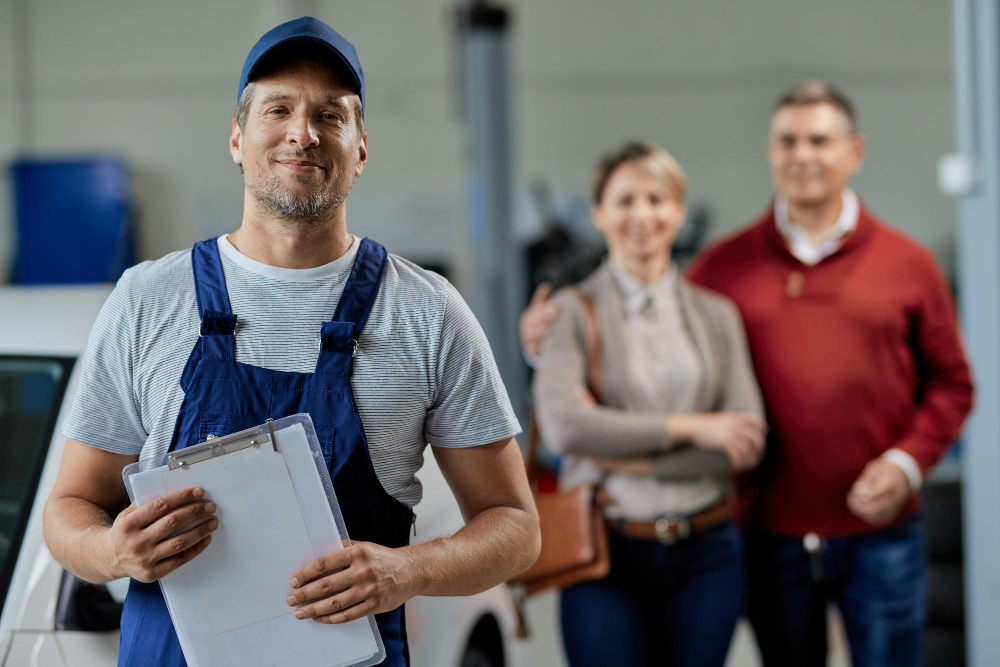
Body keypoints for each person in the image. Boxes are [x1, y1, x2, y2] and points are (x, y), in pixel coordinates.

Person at [41, 17, 539, 667]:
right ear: (237, 138)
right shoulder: (146, 299)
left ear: (360, 149)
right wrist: (111, 552)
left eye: (331, 116)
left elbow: (516, 525)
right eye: (278, 108)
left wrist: (407, 571)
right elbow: (69, 506)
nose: (302, 132)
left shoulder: (428, 312)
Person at [686, 81, 974, 667]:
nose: (802, 155)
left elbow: (952, 383)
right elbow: (654, 348)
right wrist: (554, 338)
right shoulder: (721, 266)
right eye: (787, 140)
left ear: (854, 152)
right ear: (770, 152)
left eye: (819, 139)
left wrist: (907, 464)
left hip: (883, 533)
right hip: (766, 533)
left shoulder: (908, 264)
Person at [533, 140, 767, 667]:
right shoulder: (569, 312)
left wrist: (617, 449)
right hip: (606, 552)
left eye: (657, 199)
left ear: (678, 211)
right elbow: (566, 431)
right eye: (625, 200)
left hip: (707, 553)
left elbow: (744, 443)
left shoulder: (718, 315)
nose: (642, 215)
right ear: (599, 214)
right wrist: (697, 428)